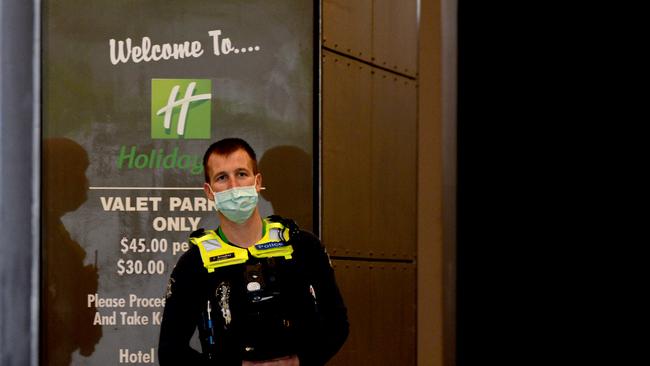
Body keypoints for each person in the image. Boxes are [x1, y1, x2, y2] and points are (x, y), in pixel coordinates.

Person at [159, 138, 349, 366]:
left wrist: (297, 361)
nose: (234, 187)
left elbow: (337, 325)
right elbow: (171, 352)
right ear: (209, 192)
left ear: (257, 182)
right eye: (222, 178)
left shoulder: (302, 246)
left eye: (241, 174)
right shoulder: (194, 263)